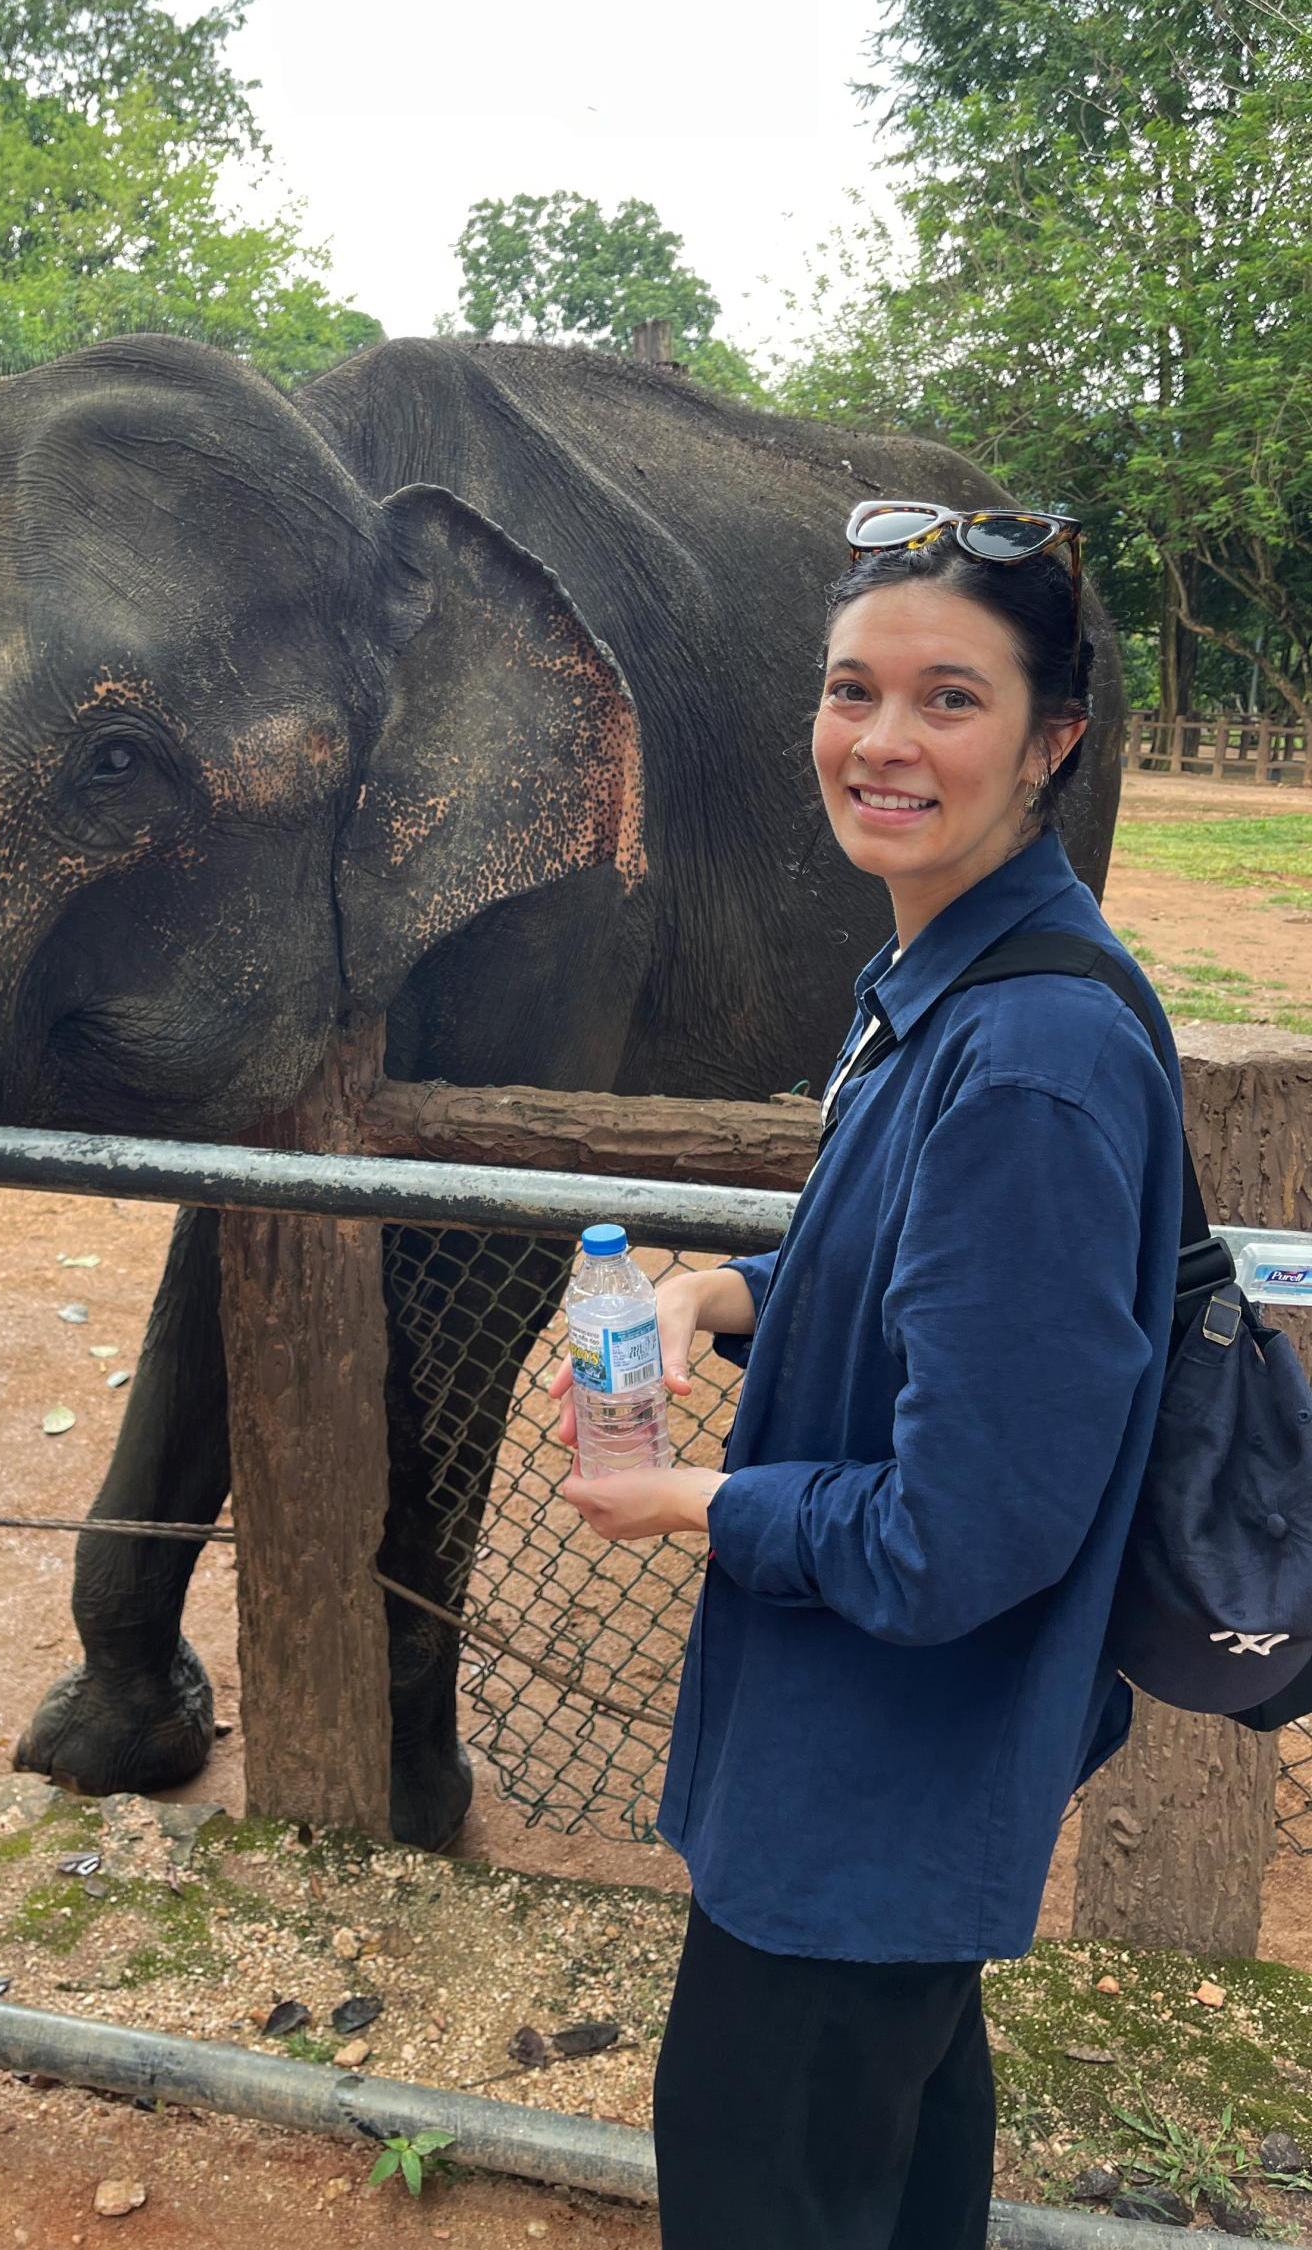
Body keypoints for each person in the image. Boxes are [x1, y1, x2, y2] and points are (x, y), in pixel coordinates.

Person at [548, 503, 1183, 2250]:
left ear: (1054, 742)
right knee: (894, 2192)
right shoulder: (939, 979)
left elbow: (956, 1534)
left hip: (868, 1796)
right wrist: (721, 1292)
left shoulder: (1031, 1055)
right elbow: (922, 1283)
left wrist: (696, 1498)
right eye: (853, 690)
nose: (883, 740)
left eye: (950, 699)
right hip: (869, 1790)